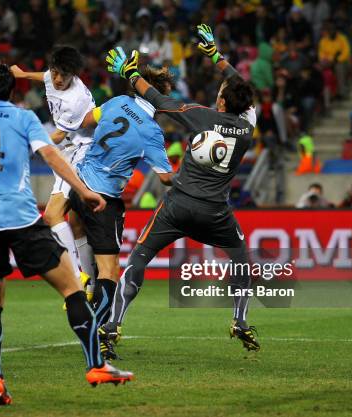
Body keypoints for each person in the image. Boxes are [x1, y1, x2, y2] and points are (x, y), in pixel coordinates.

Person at [0, 63, 133, 405]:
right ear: (11, 91)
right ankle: (96, 365)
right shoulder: (23, 119)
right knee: (72, 288)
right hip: (20, 218)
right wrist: (84, 190)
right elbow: (52, 157)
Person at [101, 24, 259, 357]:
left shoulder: (201, 117)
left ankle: (113, 324)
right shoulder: (247, 129)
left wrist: (131, 74)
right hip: (215, 212)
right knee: (242, 260)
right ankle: (240, 321)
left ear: (219, 100)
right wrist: (217, 57)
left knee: (139, 257)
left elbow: (158, 98)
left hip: (178, 205)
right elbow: (243, 90)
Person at [69, 64, 174, 358]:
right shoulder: (151, 131)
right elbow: (166, 178)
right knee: (110, 271)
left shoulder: (117, 101)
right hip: (103, 199)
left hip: (79, 185)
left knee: (80, 235)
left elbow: (87, 120)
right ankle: (100, 335)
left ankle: (84, 280)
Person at [11, 46, 95, 294]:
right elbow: (44, 77)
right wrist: (23, 75)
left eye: (64, 76)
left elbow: (58, 136)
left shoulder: (75, 99)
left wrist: (28, 146)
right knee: (76, 223)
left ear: (73, 75)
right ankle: (90, 282)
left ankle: (75, 276)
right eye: (55, 72)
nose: (57, 79)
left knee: (51, 215)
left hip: (81, 152)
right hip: (69, 151)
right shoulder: (53, 76)